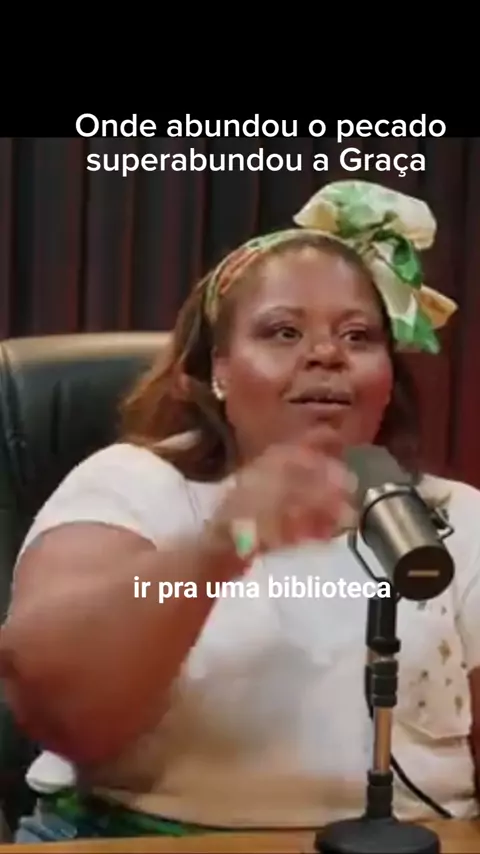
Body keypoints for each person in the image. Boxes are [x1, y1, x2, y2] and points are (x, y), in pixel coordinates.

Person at [1, 180, 479, 844]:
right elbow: (59, 708)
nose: (326, 354)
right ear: (218, 370)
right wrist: (227, 542)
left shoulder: (456, 515)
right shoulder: (133, 485)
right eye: (284, 331)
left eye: (359, 336)